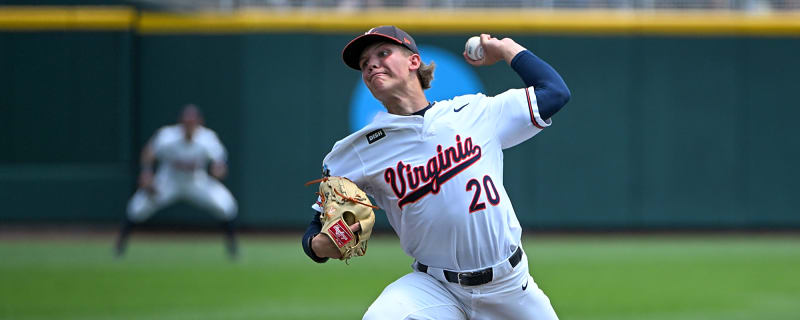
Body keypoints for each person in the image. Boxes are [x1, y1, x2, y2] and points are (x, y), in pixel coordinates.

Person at [301, 25, 570, 319]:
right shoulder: (356, 151)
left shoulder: (474, 112)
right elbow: (316, 228)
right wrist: (318, 245)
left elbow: (554, 92)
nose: (372, 65)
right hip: (434, 287)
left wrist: (506, 48)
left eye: (383, 53)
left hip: (509, 287)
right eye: (364, 64)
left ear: (414, 62)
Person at [115, 104, 239, 259]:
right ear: (181, 122)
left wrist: (218, 171)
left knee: (226, 205)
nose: (189, 125)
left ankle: (233, 249)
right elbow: (149, 152)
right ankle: (119, 247)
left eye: (192, 122)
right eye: (186, 122)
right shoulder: (168, 136)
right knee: (137, 207)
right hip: (168, 181)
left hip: (196, 181)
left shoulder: (207, 138)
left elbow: (219, 163)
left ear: (199, 122)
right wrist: (146, 173)